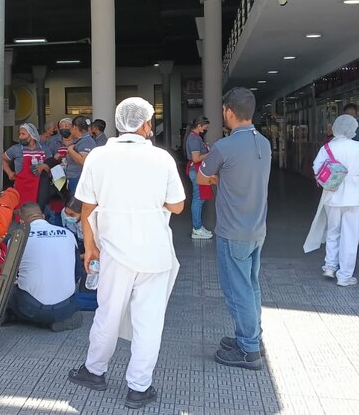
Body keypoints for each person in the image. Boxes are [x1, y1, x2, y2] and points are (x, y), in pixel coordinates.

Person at [67, 97, 185, 410]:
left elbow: (87, 207)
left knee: (107, 313)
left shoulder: (99, 156)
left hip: (113, 251)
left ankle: (94, 371)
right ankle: (139, 387)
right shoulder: (162, 159)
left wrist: (90, 247)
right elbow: (177, 205)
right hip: (155, 252)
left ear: (120, 124)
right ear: (147, 125)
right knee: (149, 321)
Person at [197, 88, 271, 370]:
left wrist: (217, 178)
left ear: (228, 111)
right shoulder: (263, 143)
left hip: (232, 230)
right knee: (251, 286)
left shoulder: (223, 147)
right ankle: (252, 337)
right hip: (256, 228)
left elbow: (203, 178)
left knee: (237, 290)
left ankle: (248, 350)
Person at [304, 115, 359, 287]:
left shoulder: (327, 147)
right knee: (350, 236)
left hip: (332, 194)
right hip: (354, 195)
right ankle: (344, 276)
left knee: (333, 231)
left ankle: (329, 266)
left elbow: (316, 169)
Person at [9, 203, 81, 331]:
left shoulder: (17, 239)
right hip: (65, 307)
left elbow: (10, 275)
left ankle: (33, 320)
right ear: (42, 216)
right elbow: (77, 273)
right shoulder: (68, 234)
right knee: (74, 307)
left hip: (31, 307)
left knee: (10, 293)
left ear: (21, 221)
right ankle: (57, 321)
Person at [3, 123, 52, 207]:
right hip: (21, 187)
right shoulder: (16, 149)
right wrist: (9, 172)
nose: (20, 137)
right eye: (20, 134)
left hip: (41, 187)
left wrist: (44, 166)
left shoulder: (44, 149)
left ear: (31, 136)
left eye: (23, 134)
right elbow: (3, 159)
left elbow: (51, 165)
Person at [184, 115, 213, 239]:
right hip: (195, 171)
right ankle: (197, 228)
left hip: (195, 171)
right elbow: (196, 158)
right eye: (205, 126)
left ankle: (198, 227)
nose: (206, 128)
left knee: (199, 198)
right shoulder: (194, 139)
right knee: (198, 199)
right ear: (199, 125)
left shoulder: (195, 137)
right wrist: (210, 153)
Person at [64, 116, 96, 195]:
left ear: (74, 127)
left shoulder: (86, 141)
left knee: (76, 205)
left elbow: (83, 160)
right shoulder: (80, 140)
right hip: (74, 178)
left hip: (79, 178)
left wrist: (70, 150)